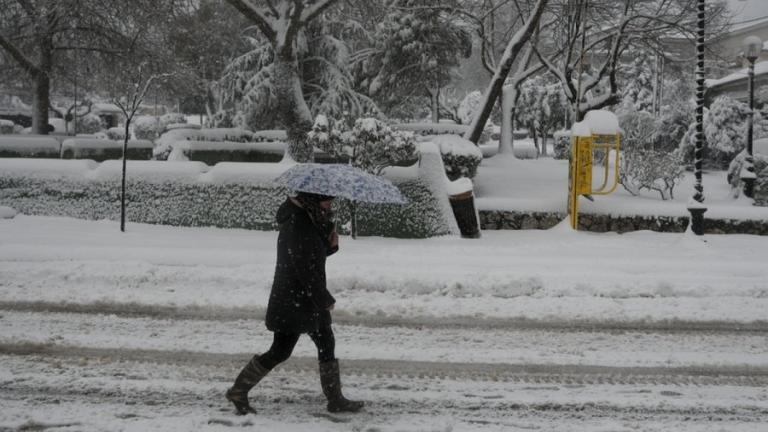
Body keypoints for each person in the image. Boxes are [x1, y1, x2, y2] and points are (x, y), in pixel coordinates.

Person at [225, 191, 364, 415]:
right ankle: (238, 391)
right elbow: (304, 270)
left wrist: (330, 246)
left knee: (326, 342)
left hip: (304, 300)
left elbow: (310, 255)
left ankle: (335, 399)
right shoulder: (297, 225)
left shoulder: (306, 219)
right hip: (293, 301)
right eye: (327, 202)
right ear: (313, 200)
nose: (329, 207)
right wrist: (324, 299)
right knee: (280, 351)